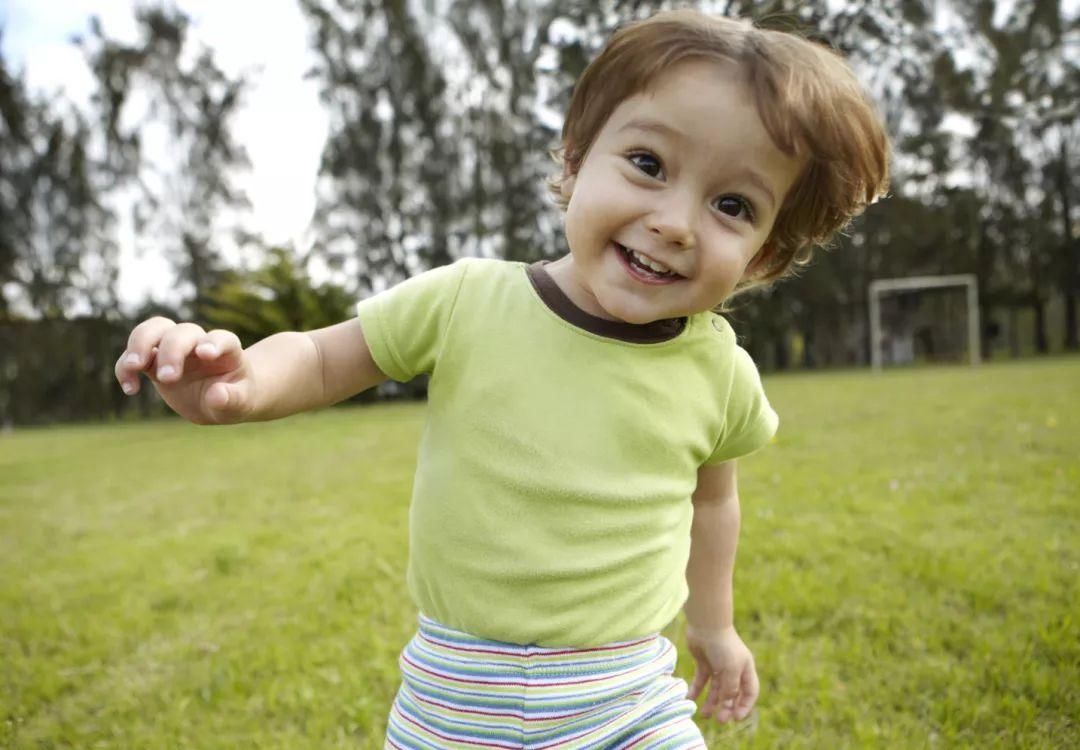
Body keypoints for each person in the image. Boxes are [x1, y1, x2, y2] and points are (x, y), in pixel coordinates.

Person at [115, 9, 888, 748]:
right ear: (578, 158)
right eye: (648, 165)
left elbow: (714, 501)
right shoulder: (466, 301)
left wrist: (713, 626)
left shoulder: (717, 370)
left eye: (732, 204)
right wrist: (242, 380)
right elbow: (322, 358)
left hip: (625, 700)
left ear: (762, 254)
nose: (676, 222)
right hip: (454, 698)